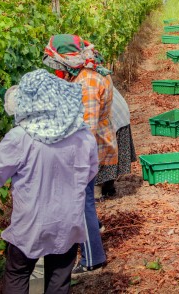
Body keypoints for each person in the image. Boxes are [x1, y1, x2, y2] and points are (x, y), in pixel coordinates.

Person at [0, 69, 98, 294]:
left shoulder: (21, 137)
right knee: (58, 280)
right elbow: (90, 173)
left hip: (31, 223)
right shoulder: (83, 135)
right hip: (68, 221)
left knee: (18, 273)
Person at [43, 34, 117, 275]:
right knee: (84, 199)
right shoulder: (85, 74)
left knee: (81, 201)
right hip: (88, 146)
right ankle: (95, 227)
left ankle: (93, 258)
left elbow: (86, 128)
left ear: (67, 60)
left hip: (86, 149)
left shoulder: (87, 82)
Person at [98, 85, 137, 197]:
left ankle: (101, 188)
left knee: (105, 154)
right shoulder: (94, 76)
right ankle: (108, 188)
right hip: (118, 112)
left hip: (113, 116)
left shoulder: (84, 81)